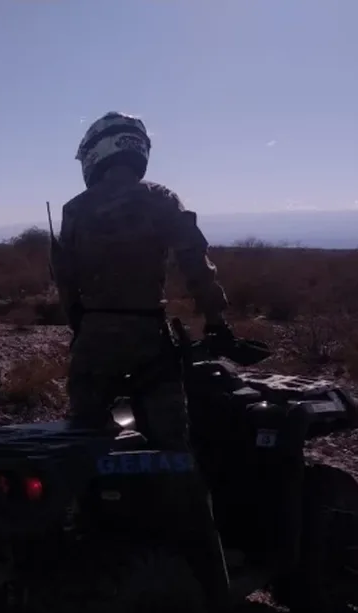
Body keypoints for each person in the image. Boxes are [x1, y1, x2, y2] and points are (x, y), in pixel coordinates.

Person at [51, 111, 231, 450]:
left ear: (95, 153)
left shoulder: (75, 209)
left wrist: (80, 323)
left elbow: (65, 279)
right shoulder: (161, 198)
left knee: (82, 443)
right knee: (174, 445)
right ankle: (181, 499)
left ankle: (89, 502)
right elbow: (194, 260)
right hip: (150, 336)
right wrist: (216, 318)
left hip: (95, 338)